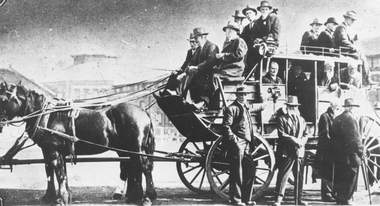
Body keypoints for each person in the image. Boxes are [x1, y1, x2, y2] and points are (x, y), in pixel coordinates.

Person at [222, 85, 266, 206]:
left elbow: (254, 107)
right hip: (237, 144)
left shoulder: (245, 106)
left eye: (244, 94)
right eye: (240, 94)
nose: (242, 96)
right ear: (236, 95)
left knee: (251, 170)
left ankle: (247, 199)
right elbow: (226, 127)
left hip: (246, 144)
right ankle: (236, 200)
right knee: (237, 172)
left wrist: (265, 102)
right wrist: (234, 140)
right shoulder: (231, 109)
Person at [273, 95, 308, 206]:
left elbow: (306, 134)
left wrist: (302, 141)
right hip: (287, 152)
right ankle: (278, 199)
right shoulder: (282, 119)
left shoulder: (302, 120)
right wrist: (295, 140)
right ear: (287, 107)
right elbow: (282, 134)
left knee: (299, 176)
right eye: (291, 106)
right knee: (283, 175)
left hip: (299, 151)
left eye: (295, 106)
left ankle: (298, 199)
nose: (293, 108)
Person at [330, 98, 363, 205]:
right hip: (350, 154)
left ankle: (339, 198)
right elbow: (354, 139)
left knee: (340, 175)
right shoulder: (351, 119)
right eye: (354, 107)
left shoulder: (336, 118)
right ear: (350, 107)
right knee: (350, 176)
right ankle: (346, 199)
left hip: (338, 154)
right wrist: (361, 151)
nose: (355, 109)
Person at [333, 11, 377, 85]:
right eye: (352, 20)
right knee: (362, 57)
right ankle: (367, 79)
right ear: (346, 19)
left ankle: (365, 78)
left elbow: (345, 41)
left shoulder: (343, 27)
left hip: (344, 50)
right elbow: (343, 41)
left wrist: (353, 40)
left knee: (361, 55)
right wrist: (354, 47)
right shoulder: (341, 27)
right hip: (342, 52)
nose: (353, 22)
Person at [244, 0, 280, 80]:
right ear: (260, 10)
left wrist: (262, 39)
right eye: (262, 9)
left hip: (271, 44)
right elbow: (254, 34)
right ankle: (249, 73)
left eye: (266, 9)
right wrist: (256, 40)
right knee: (249, 51)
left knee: (256, 51)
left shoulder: (274, 19)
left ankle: (254, 75)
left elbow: (275, 34)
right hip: (260, 44)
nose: (264, 11)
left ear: (269, 10)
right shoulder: (258, 22)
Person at [187, 27, 220, 111]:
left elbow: (210, 62)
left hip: (208, 73)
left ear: (203, 37)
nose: (195, 40)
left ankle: (201, 103)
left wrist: (197, 67)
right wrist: (184, 72)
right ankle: (178, 95)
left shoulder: (212, 46)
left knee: (193, 73)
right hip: (201, 73)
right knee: (188, 72)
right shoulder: (198, 49)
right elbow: (192, 61)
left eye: (196, 38)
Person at [314, 101, 341, 202]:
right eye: (337, 108)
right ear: (332, 107)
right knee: (326, 171)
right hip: (326, 149)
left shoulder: (334, 116)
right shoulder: (325, 116)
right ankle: (326, 195)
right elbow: (325, 134)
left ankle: (332, 193)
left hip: (332, 148)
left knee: (332, 171)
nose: (338, 110)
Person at [161, 33, 199, 97]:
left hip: (192, 72)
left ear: (197, 42)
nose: (191, 44)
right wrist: (180, 69)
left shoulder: (199, 51)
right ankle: (166, 93)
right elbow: (186, 63)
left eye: (193, 42)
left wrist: (185, 73)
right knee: (174, 74)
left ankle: (177, 94)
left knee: (180, 77)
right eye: (190, 42)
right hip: (186, 70)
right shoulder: (189, 52)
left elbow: (197, 65)